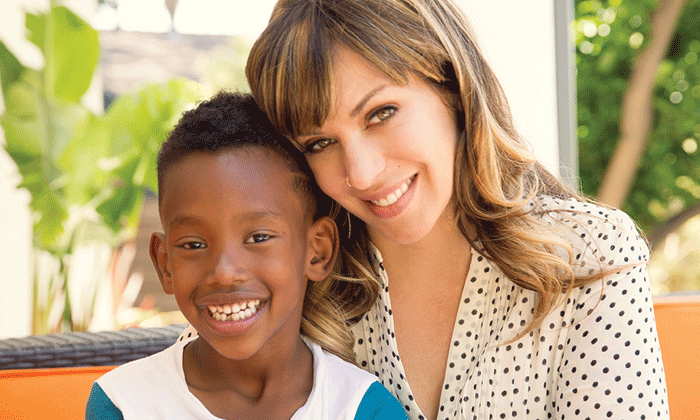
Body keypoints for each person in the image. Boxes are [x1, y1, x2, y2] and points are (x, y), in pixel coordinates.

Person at [236, 1, 670, 419]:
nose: (361, 174)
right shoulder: (288, 280)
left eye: (380, 113)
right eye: (319, 143)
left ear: (453, 88)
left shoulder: (591, 253)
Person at [85, 92, 408, 420]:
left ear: (317, 250)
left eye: (258, 238)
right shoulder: (123, 403)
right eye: (194, 245)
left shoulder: (361, 408)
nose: (224, 272)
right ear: (165, 263)